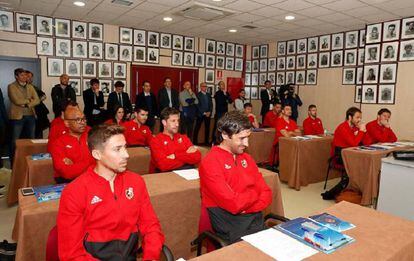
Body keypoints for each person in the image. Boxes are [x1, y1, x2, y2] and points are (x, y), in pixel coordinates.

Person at [57, 124, 165, 260]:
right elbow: (71, 255)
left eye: (125, 147)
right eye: (117, 149)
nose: (126, 155)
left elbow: (151, 226)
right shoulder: (74, 192)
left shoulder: (136, 182)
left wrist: (151, 256)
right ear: (97, 154)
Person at [198, 110, 272, 243]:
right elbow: (234, 204)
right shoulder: (210, 162)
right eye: (242, 138)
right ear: (225, 135)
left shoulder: (247, 158)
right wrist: (254, 195)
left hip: (256, 221)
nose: (247, 144)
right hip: (232, 228)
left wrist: (247, 206)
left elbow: (267, 193)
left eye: (248, 137)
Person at [322, 107, 366, 200]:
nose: (359, 120)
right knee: (356, 167)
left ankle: (355, 190)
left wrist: (361, 131)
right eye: (357, 117)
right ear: (350, 117)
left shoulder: (354, 127)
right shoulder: (343, 127)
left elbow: (363, 142)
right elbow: (354, 143)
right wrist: (361, 131)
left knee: (364, 164)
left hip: (350, 154)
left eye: (360, 118)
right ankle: (332, 194)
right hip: (339, 155)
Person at [49, 105, 94, 183]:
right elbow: (66, 172)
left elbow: (104, 161)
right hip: (68, 182)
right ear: (67, 123)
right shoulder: (58, 143)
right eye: (78, 120)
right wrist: (92, 162)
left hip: (92, 179)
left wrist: (74, 164)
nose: (83, 122)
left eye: (84, 119)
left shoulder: (92, 136)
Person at [149, 107, 201, 173]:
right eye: (173, 121)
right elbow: (163, 165)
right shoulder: (155, 141)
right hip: (165, 176)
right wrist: (186, 156)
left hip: (186, 173)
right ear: (164, 122)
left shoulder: (184, 138)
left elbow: (197, 157)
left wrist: (176, 156)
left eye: (178, 121)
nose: (177, 124)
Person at [8, 68, 40, 162]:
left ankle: (30, 160)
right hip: (17, 117)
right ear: (16, 76)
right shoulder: (11, 86)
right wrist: (29, 100)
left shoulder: (30, 86)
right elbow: (16, 100)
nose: (25, 77)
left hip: (30, 115)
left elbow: (37, 100)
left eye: (25, 75)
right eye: (22, 75)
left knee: (31, 139)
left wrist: (26, 104)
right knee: (15, 141)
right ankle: (14, 162)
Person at [26, 71, 49, 138]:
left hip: (39, 111)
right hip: (29, 112)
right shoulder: (23, 87)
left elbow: (44, 96)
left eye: (31, 77)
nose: (30, 78)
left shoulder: (34, 87)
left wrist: (36, 100)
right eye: (28, 76)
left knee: (38, 131)